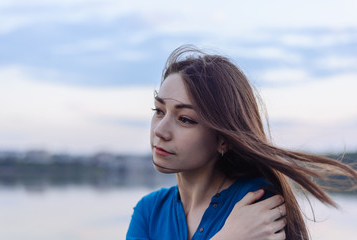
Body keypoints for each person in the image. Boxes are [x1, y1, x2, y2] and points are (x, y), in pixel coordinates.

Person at [126, 45, 357, 240]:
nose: (159, 130)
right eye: (158, 111)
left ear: (223, 139)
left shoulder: (258, 206)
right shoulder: (149, 211)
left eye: (185, 119)